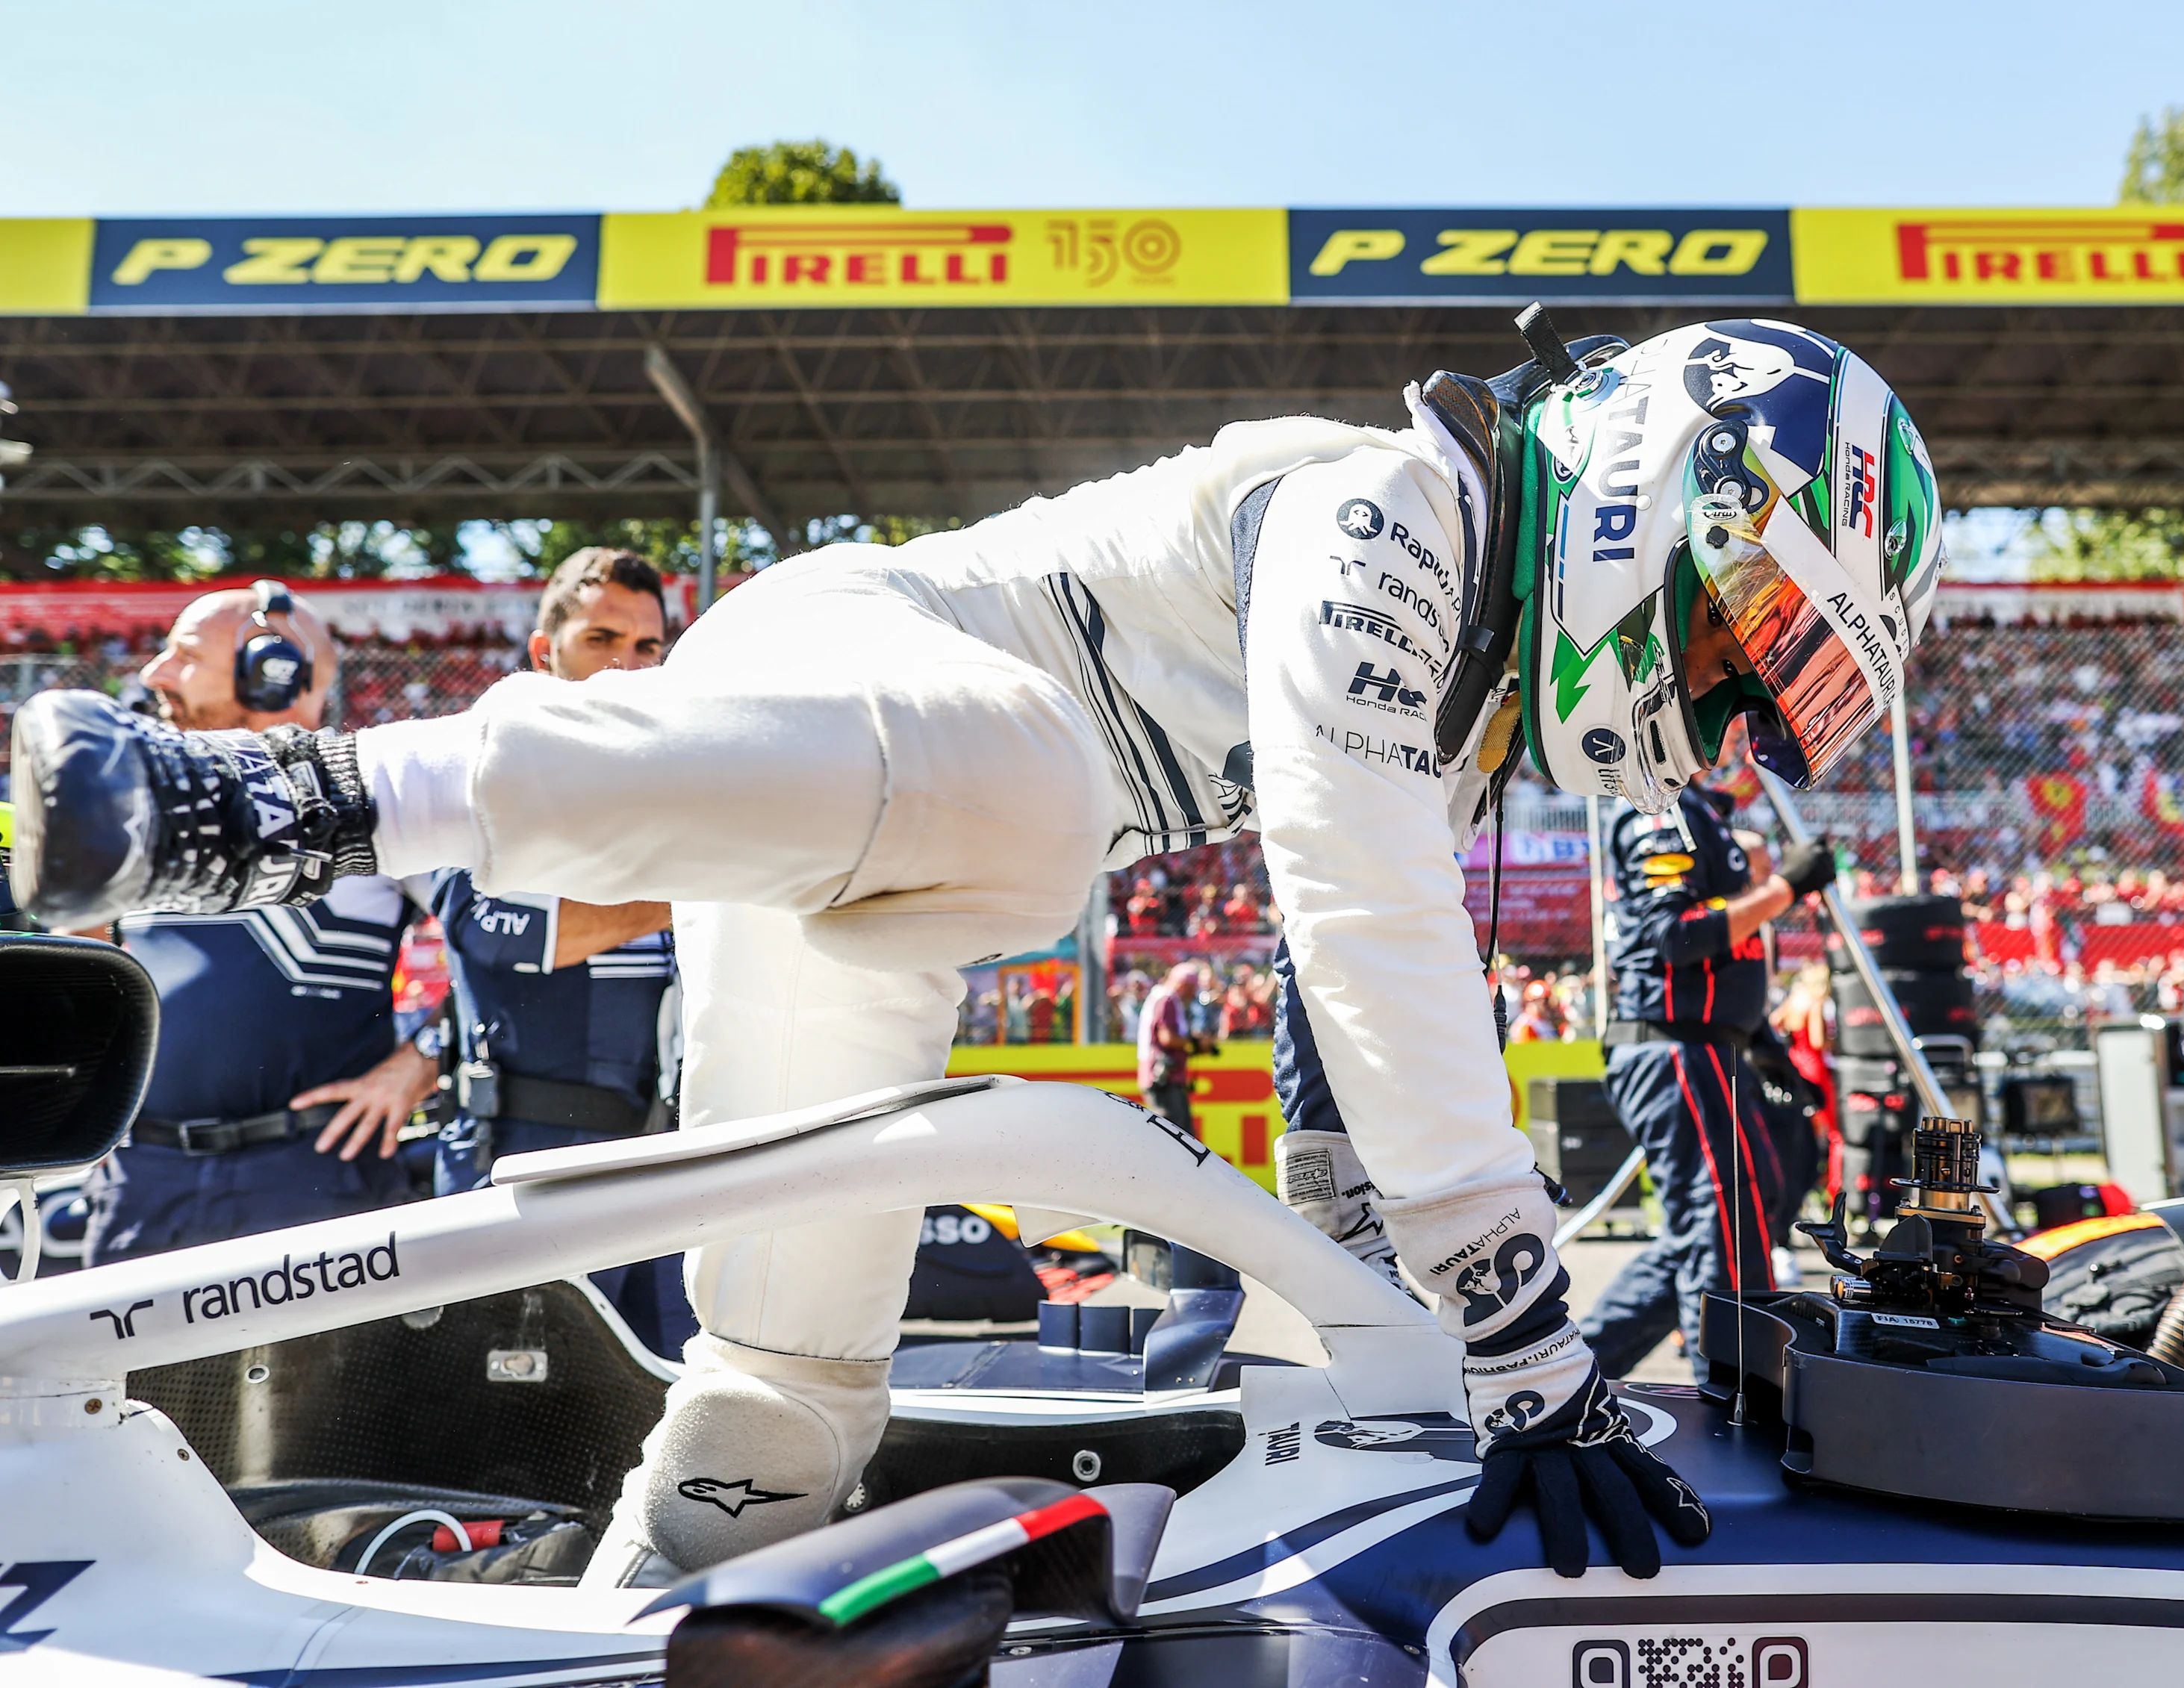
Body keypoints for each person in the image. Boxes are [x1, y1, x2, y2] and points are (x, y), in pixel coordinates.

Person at [13, 315, 1944, 1584]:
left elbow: (1334, 1022)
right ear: (1658, 490)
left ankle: (611, 1620)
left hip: (872, 845)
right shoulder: (1393, 507)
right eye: (1735, 638)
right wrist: (1523, 1334)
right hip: (852, 699)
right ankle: (265, 795)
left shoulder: (1457, 682)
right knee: (1040, 820)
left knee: (786, 1390)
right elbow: (1361, 903)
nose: (1710, 703)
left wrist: (1392, 1342)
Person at [77, 584, 440, 1262]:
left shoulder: (376, 798)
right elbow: (81, 972)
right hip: (144, 1185)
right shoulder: (131, 804)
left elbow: (505, 942)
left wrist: (420, 1064)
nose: (155, 673)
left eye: (184, 655)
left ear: (275, 675)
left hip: (317, 1178)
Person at [431, 549, 693, 1357]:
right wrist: (704, 882)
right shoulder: (483, 775)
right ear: (544, 654)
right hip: (524, 1170)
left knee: (671, 1416)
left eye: (647, 647)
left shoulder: (689, 797)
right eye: (601, 637)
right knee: (515, 1442)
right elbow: (486, 925)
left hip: (673, 1172)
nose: (626, 664)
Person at [1575, 776, 1837, 1380]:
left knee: (1727, 1221)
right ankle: (1734, 1408)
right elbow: (1675, 935)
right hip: (1675, 1050)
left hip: (1709, 1049)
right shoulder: (1659, 805)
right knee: (1723, 1231)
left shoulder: (1695, 810)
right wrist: (1785, 888)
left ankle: (1573, 1375)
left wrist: (1767, 1048)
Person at [1136, 961, 1210, 1130]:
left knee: (1179, 1133)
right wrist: (1195, 1042)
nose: (1193, 995)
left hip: (1163, 1076)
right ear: (1183, 985)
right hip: (1164, 1078)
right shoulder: (1167, 999)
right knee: (1176, 1134)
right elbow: (1167, 1038)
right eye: (1192, 989)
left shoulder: (1161, 997)